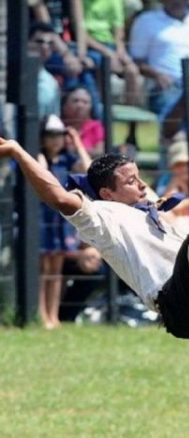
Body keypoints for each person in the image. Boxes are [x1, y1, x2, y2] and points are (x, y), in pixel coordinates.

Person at [0, 138, 189, 351]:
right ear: (107, 193)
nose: (143, 185)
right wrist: (18, 151)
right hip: (181, 306)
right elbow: (59, 197)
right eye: (132, 181)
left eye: (139, 176)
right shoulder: (102, 217)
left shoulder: (148, 208)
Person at [37, 114, 93, 329]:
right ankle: (42, 316)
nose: (55, 140)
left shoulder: (68, 160)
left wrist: (77, 141)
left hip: (60, 222)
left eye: (60, 135)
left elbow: (88, 169)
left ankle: (54, 316)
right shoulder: (40, 159)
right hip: (43, 220)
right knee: (44, 268)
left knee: (56, 270)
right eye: (50, 135)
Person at [128, 0, 189, 116]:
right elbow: (136, 60)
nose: (176, 2)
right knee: (170, 115)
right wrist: (157, 75)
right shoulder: (146, 21)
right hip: (166, 85)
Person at [61, 87, 104, 156]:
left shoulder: (96, 127)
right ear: (65, 106)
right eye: (75, 101)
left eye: (85, 102)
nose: (80, 105)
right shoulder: (58, 126)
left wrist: (74, 149)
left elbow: (100, 152)